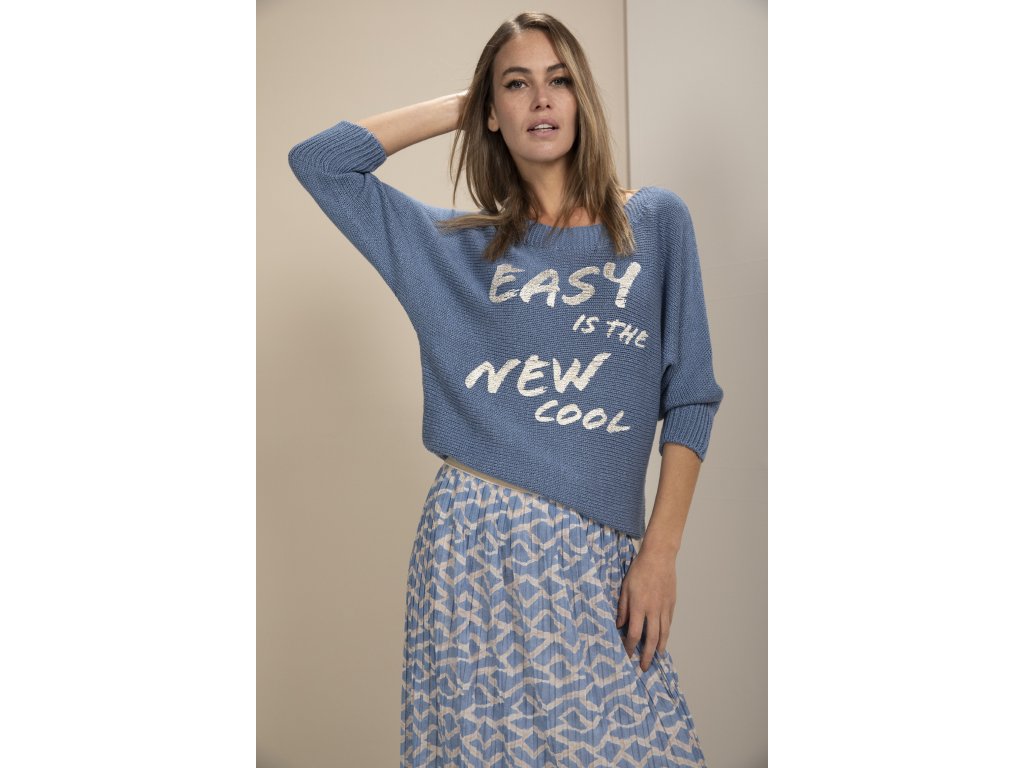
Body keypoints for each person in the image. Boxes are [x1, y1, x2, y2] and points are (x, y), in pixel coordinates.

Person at [288, 11, 724, 767]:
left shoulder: (653, 224)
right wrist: (468, 104)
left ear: (582, 98)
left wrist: (661, 553)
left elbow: (690, 397)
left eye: (559, 81)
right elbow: (319, 162)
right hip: (471, 553)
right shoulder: (454, 249)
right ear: (492, 112)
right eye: (517, 86)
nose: (541, 99)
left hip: (596, 556)